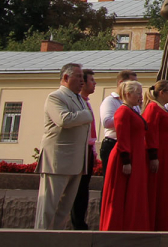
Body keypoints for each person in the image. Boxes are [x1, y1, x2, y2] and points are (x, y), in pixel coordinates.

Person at [34, 63, 95, 230]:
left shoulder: (79, 99)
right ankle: (40, 240)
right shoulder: (56, 97)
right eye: (78, 76)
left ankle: (55, 239)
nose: (82, 81)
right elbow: (63, 120)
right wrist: (86, 114)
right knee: (48, 209)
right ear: (66, 77)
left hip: (76, 163)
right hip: (57, 161)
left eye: (83, 77)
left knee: (64, 210)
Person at [99, 80, 151, 231]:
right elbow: (122, 137)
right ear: (128, 94)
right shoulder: (123, 112)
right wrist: (126, 160)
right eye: (138, 93)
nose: (141, 96)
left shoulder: (132, 110)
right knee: (121, 193)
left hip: (136, 153)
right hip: (128, 154)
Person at [143, 80, 168, 231]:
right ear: (162, 93)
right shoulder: (153, 108)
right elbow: (151, 133)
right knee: (159, 190)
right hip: (161, 154)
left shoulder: (163, 108)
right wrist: (154, 156)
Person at [70, 68, 97, 230]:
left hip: (88, 149)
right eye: (91, 80)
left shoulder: (85, 102)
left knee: (84, 189)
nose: (94, 84)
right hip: (79, 149)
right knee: (78, 189)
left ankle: (80, 221)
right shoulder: (78, 102)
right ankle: (77, 223)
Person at [99, 70, 139, 181]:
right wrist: (125, 119)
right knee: (112, 181)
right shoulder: (110, 101)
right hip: (113, 143)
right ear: (121, 83)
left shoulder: (134, 104)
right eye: (132, 83)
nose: (135, 86)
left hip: (129, 144)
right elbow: (107, 122)